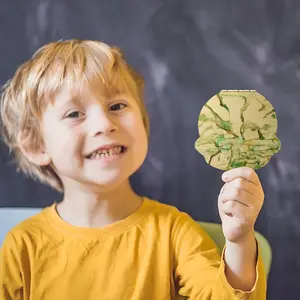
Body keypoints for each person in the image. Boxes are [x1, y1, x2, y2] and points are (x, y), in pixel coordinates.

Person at [0, 39, 266, 299]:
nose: (104, 124)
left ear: (143, 122)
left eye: (117, 106)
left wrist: (239, 240)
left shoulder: (174, 232)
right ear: (36, 145)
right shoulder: (23, 246)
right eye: (74, 114)